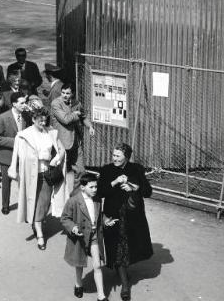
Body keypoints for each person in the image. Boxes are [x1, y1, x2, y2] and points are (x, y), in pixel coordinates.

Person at [98, 142, 153, 301]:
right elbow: (100, 192)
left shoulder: (136, 169)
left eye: (117, 156)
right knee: (119, 247)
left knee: (127, 248)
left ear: (126, 157)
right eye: (113, 155)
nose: (113, 158)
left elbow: (148, 192)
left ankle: (122, 270)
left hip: (132, 216)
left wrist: (133, 186)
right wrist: (114, 182)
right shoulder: (107, 170)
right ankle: (125, 286)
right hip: (114, 215)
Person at [8, 106, 66, 250]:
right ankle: (39, 232)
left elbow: (62, 150)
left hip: (47, 173)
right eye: (40, 121)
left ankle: (37, 221)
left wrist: (56, 158)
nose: (43, 123)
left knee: (44, 203)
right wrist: (13, 169)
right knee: (32, 201)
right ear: (33, 119)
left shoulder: (51, 132)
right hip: (30, 175)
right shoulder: (24, 135)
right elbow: (16, 154)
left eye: (45, 121)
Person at [61, 172, 111, 300]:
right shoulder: (73, 201)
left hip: (94, 235)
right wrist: (73, 227)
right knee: (79, 263)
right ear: (83, 187)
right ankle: (78, 284)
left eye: (96, 187)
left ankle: (101, 295)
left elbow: (99, 215)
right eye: (91, 187)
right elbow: (65, 218)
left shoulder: (98, 199)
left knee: (97, 265)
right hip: (80, 237)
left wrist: (105, 220)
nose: (95, 190)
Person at [51, 82, 95, 191]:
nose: (65, 95)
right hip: (62, 142)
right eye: (63, 93)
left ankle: (75, 195)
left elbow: (83, 116)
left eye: (68, 93)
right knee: (61, 172)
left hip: (76, 142)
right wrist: (76, 114)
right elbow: (65, 120)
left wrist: (90, 127)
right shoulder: (56, 103)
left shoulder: (77, 103)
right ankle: (59, 196)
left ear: (72, 94)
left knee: (81, 171)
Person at [0, 92, 28, 215]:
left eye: (25, 102)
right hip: (7, 156)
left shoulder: (26, 116)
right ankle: (5, 205)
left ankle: (24, 205)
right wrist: (15, 141)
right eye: (22, 103)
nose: (24, 105)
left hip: (22, 156)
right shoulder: (2, 118)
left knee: (23, 182)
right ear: (14, 104)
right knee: (6, 183)